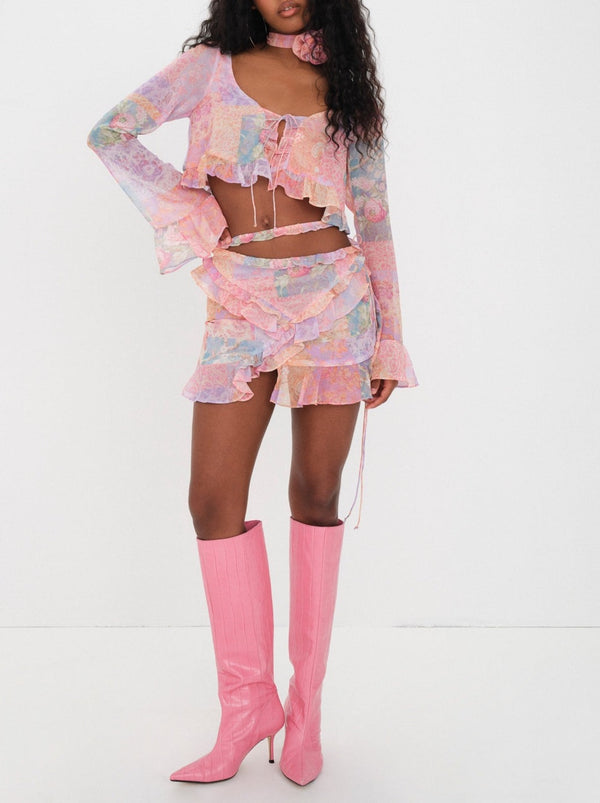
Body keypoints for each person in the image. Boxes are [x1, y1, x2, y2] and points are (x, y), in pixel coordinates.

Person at [87, 0, 418, 787]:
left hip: (337, 298)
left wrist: (391, 336)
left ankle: (306, 713)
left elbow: (372, 215)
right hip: (240, 301)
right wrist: (193, 211)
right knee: (212, 499)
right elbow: (111, 133)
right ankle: (247, 706)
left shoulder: (346, 81)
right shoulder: (207, 69)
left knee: (317, 489)